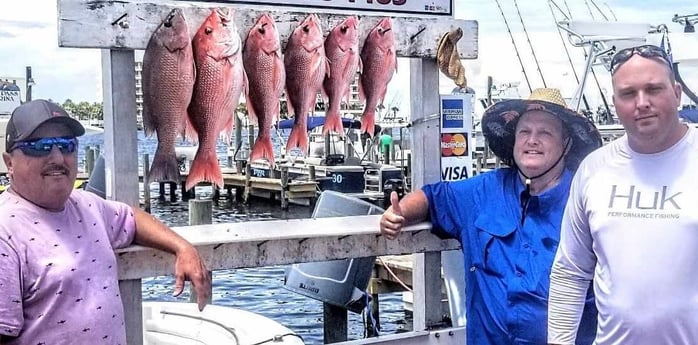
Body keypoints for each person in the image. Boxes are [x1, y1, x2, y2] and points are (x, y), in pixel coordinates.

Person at [380, 88, 602, 344]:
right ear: (514, 140)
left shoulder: (587, 199)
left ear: (566, 144)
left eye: (545, 133)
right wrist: (399, 213)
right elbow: (432, 196)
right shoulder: (482, 192)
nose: (532, 140)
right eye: (524, 132)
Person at [0, 100, 211, 345]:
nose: (57, 156)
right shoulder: (5, 231)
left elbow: (131, 218)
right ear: (9, 163)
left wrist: (183, 248)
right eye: (40, 147)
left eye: (67, 145)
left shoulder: (86, 205)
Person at [548, 45, 697, 344]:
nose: (642, 103)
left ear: (677, 93)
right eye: (628, 94)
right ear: (615, 102)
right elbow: (570, 273)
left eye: (654, 89)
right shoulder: (594, 169)